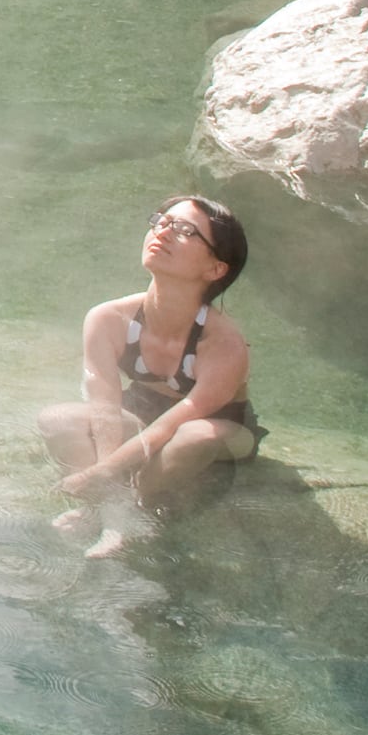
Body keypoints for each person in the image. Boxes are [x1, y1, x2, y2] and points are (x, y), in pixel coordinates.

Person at [37, 194, 260, 557]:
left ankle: (133, 512)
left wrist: (107, 470)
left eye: (185, 230)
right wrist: (105, 478)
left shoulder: (224, 342)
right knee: (57, 419)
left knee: (193, 436)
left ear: (216, 269)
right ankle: (103, 510)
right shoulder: (108, 319)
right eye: (161, 221)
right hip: (142, 409)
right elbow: (104, 403)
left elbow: (187, 416)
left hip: (220, 427)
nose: (164, 232)